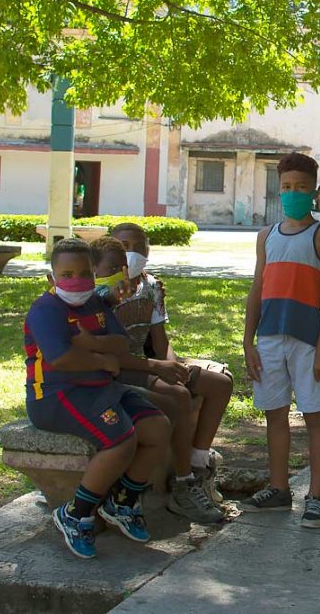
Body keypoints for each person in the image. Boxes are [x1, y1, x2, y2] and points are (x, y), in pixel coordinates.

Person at [24, 238, 173, 559]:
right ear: (51, 278)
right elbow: (61, 359)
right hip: (56, 395)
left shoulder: (95, 303)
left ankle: (123, 501)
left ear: (93, 274)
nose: (75, 281)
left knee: (158, 427)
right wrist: (102, 359)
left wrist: (92, 344)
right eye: (66, 275)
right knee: (121, 440)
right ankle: (77, 514)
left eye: (83, 273)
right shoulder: (46, 310)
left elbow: (121, 343)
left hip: (101, 389)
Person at [240, 152, 320, 529]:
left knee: (314, 415)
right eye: (286, 188)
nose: (292, 193)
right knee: (275, 415)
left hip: (307, 341)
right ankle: (279, 489)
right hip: (268, 339)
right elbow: (257, 289)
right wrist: (248, 341)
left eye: (300, 188)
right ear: (278, 190)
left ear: (313, 191)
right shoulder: (266, 236)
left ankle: (315, 496)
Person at [108, 224, 235, 523]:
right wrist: (159, 369)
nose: (129, 253)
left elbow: (160, 339)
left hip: (149, 363)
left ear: (148, 252)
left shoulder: (151, 287)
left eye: (136, 246)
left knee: (219, 383)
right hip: (121, 371)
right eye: (121, 245)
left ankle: (198, 461)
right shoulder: (102, 292)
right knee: (178, 396)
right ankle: (182, 482)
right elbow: (110, 355)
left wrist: (173, 365)